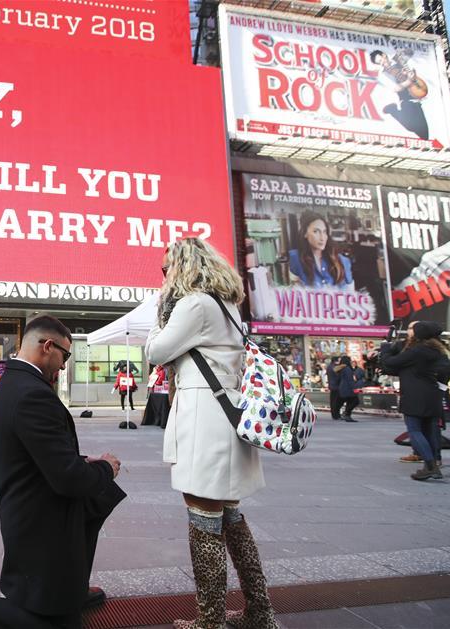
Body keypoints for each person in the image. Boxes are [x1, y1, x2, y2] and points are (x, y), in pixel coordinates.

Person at [0, 315, 125, 629]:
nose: (63, 366)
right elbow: (68, 478)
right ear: (48, 346)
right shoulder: (33, 394)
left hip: (26, 509)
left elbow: (30, 452)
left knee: (54, 600)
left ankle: (70, 594)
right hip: (42, 521)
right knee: (57, 622)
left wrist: (75, 461)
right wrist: (104, 468)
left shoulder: (11, 383)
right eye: (65, 356)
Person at [145, 238, 275, 629]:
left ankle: (210, 621)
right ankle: (259, 611)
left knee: (203, 521)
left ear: (183, 266)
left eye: (166, 268)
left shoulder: (195, 304)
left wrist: (159, 316)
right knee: (231, 519)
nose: (163, 275)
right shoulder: (227, 306)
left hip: (206, 418)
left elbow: (156, 351)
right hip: (228, 416)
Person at [375, 321, 450, 481]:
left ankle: (430, 465)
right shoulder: (437, 351)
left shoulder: (417, 351)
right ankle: (433, 464)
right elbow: (405, 369)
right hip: (432, 395)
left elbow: (391, 362)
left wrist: (385, 348)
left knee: (414, 430)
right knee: (430, 430)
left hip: (414, 396)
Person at [370, 49, 429, 140]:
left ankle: (392, 110)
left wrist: (402, 51)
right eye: (379, 63)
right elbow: (396, 88)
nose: (382, 63)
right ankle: (392, 109)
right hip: (406, 100)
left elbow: (411, 52)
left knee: (423, 133)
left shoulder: (397, 60)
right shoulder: (384, 74)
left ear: (384, 55)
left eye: (381, 60)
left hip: (416, 96)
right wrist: (409, 80)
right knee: (411, 126)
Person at [288, 211, 353, 288]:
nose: (322, 238)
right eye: (316, 231)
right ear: (305, 233)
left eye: (324, 232)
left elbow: (350, 294)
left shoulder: (342, 261)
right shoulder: (295, 258)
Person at [336, 355, 360, 422]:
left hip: (342, 387)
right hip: (348, 388)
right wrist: (354, 387)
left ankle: (347, 414)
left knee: (349, 401)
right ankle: (347, 414)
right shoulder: (347, 369)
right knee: (355, 401)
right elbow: (350, 380)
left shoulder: (341, 368)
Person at [326, 356, 342, 420]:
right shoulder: (335, 367)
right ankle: (336, 414)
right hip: (336, 386)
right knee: (336, 401)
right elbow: (337, 376)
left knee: (333, 401)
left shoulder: (329, 366)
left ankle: (334, 414)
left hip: (332, 385)